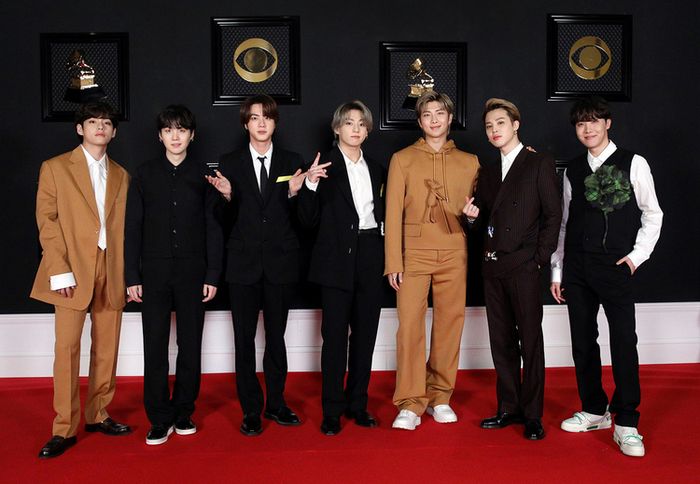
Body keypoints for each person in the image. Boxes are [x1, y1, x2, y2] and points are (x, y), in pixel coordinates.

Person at [550, 96, 663, 457]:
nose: (588, 129)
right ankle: (594, 410)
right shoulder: (572, 170)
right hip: (577, 268)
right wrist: (558, 269)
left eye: (594, 121)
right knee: (583, 342)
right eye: (581, 123)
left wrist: (636, 257)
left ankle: (626, 422)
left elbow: (653, 214)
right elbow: (565, 223)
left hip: (616, 266)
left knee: (623, 343)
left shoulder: (634, 162)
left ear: (608, 123)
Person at [31, 101, 131, 458]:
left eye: (106, 123)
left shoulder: (122, 175)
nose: (99, 127)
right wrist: (59, 270)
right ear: (80, 129)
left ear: (114, 132)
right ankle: (64, 428)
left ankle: (98, 413)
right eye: (92, 122)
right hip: (70, 270)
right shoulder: (55, 168)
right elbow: (47, 221)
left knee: (107, 349)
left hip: (111, 269)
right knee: (67, 349)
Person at [207, 94, 306, 436]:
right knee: (244, 339)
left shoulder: (293, 161)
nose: (261, 123)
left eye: (267, 117)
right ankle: (251, 409)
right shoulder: (229, 163)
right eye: (254, 117)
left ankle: (276, 403)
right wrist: (226, 196)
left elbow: (305, 220)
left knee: (276, 338)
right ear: (245, 124)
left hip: (281, 262)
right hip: (242, 264)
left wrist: (295, 192)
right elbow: (221, 220)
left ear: (275, 122)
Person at [462, 98, 561, 440]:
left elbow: (553, 215)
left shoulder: (538, 162)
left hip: (524, 265)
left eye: (500, 123)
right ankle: (508, 407)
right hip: (493, 266)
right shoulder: (488, 172)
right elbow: (484, 222)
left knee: (530, 341)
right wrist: (471, 219)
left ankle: (532, 415)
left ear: (515, 125)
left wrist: (539, 259)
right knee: (501, 341)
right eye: (489, 126)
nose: (494, 130)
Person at [125, 105, 223, 445]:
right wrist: (131, 275)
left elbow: (213, 228)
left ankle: (183, 411)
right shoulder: (144, 174)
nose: (175, 136)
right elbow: (132, 227)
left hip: (193, 271)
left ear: (192, 135)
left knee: (190, 344)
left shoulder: (204, 176)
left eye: (181, 130)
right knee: (154, 344)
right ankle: (159, 417)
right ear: (160, 136)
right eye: (169, 130)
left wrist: (212, 273)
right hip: (153, 272)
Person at [384, 91, 479, 430]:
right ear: (420, 121)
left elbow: (479, 213)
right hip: (414, 254)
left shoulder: (470, 162)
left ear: (450, 118)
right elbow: (392, 213)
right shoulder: (402, 159)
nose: (434, 119)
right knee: (409, 326)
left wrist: (472, 218)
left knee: (449, 324)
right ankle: (410, 402)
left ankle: (440, 397)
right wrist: (393, 261)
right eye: (427, 114)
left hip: (455, 251)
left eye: (440, 113)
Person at [297, 100, 386, 435]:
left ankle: (358, 404)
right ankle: (332, 410)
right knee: (334, 338)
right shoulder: (322, 167)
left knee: (365, 335)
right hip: (335, 259)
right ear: (337, 129)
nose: (356, 129)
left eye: (361, 124)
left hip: (370, 253)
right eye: (349, 123)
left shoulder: (377, 168)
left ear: (368, 130)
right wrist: (310, 184)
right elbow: (306, 221)